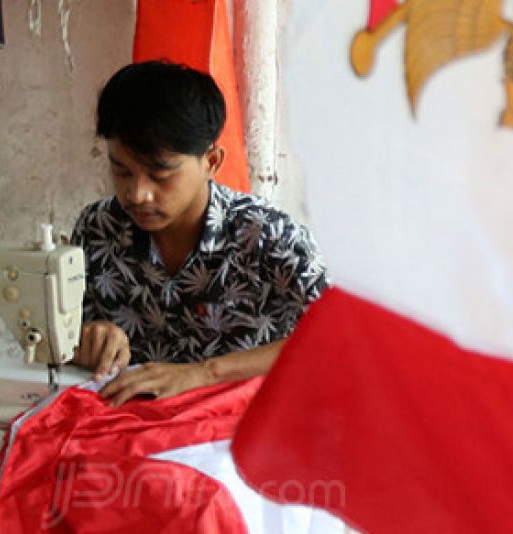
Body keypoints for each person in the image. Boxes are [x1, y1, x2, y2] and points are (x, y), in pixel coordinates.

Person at [72, 60, 327, 406]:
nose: (137, 194)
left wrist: (204, 373)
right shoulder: (98, 229)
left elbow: (338, 337)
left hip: (232, 432)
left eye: (160, 176)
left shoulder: (267, 237)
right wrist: (87, 340)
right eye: (122, 172)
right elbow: (59, 337)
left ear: (211, 161)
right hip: (128, 427)